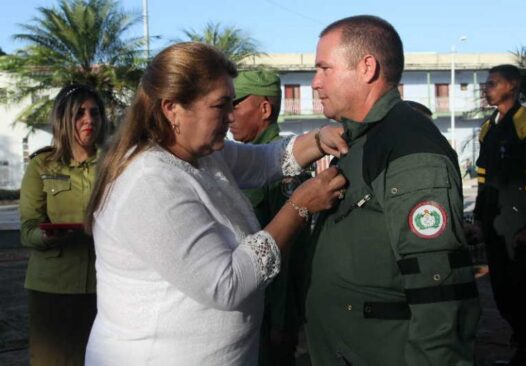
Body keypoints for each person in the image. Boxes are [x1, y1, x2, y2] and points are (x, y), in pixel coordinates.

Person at [83, 42, 347, 365]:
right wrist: (299, 207)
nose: (230, 116)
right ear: (172, 108)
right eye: (220, 106)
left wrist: (318, 140)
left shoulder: (201, 152)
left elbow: (265, 161)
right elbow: (227, 284)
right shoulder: (150, 182)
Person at [304, 15, 480, 365]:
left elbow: (438, 284)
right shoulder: (365, 139)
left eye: (325, 69)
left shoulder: (408, 147)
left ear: (367, 67)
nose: (314, 82)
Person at [466, 64, 526, 365]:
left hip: (523, 225)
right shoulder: (490, 127)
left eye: (492, 83)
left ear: (512, 87)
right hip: (496, 225)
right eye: (486, 83)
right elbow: (484, 179)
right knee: (502, 289)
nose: (485, 88)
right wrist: (478, 220)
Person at [19, 84, 108, 366]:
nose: (89, 120)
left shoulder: (112, 164)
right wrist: (48, 237)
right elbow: (28, 229)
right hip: (52, 288)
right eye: (79, 113)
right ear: (62, 118)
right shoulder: (42, 165)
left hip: (103, 286)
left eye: (95, 112)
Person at [232, 70, 309, 365]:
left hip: (269, 313)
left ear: (264, 109)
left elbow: (289, 251)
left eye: (236, 105)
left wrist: (281, 319)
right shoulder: (242, 159)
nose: (229, 115)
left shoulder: (281, 168)